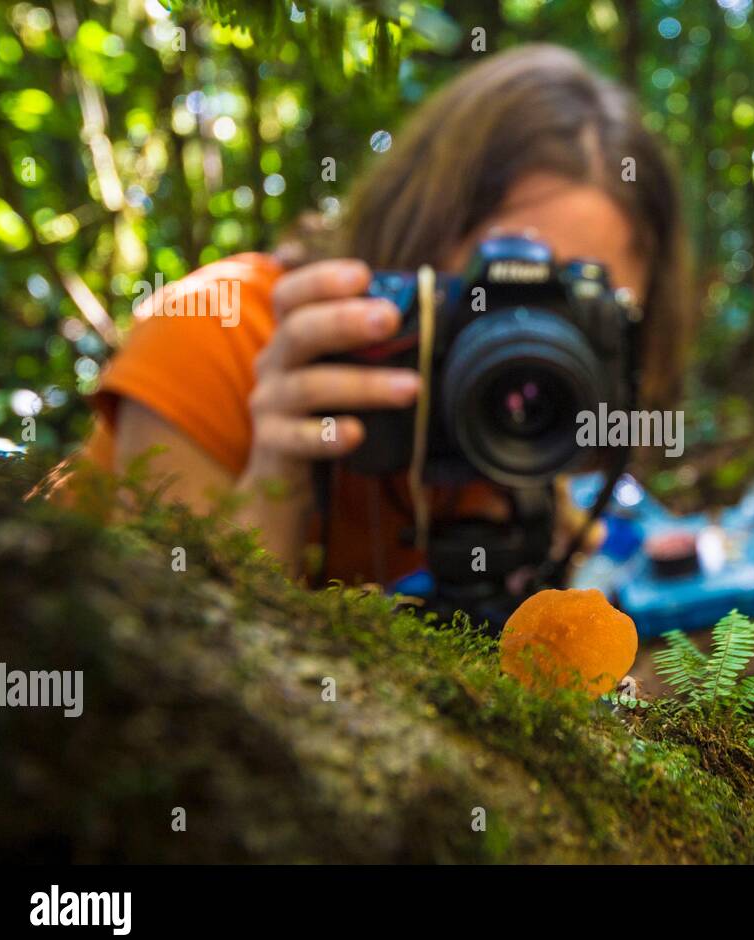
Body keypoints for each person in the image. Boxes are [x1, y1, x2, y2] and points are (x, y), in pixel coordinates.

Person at [78, 45, 691, 588]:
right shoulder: (217, 330)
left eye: (580, 312)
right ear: (414, 246)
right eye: (507, 298)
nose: (537, 347)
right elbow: (157, 665)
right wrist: (281, 480)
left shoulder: (523, 416)